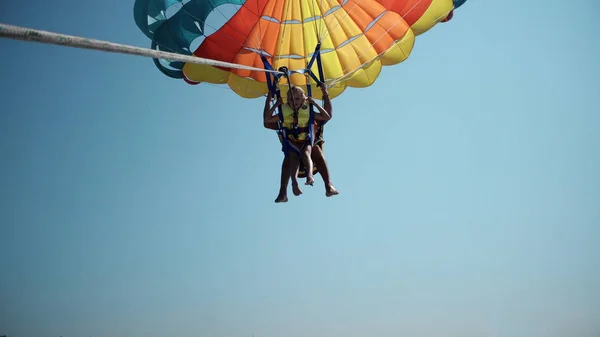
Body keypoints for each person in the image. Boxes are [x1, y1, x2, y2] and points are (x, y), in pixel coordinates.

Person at [263, 83, 339, 202]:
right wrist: (270, 101)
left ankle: (327, 185)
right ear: (287, 101)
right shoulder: (284, 113)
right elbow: (267, 121)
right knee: (291, 156)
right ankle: (287, 189)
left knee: (313, 150)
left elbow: (327, 116)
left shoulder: (309, 111)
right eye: (292, 100)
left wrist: (324, 94)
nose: (294, 102)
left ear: (304, 99)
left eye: (297, 98)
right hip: (293, 150)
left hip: (310, 150)